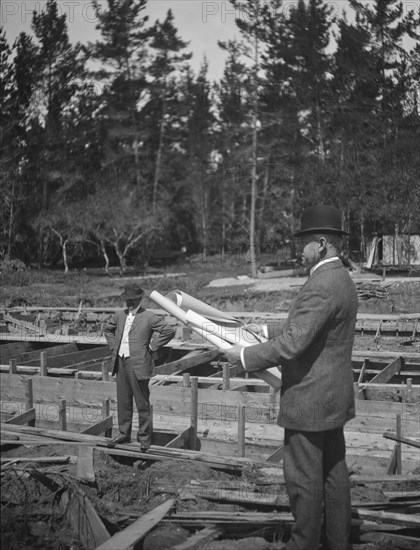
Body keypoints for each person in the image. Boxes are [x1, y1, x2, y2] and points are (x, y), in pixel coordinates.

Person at [226, 205, 357, 550]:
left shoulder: (321, 284)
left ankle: (303, 543)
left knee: (303, 481)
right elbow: (311, 327)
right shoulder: (340, 278)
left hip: (309, 400)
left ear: (322, 244)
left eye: (304, 243)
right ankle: (337, 542)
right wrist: (266, 328)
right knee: (333, 475)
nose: (299, 250)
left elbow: (292, 344)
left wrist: (243, 356)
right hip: (333, 398)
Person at [104, 282, 175, 451]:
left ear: (139, 299)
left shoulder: (149, 317)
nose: (130, 303)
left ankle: (144, 437)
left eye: (133, 300)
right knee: (123, 401)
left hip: (138, 364)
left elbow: (168, 331)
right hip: (120, 362)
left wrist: (151, 347)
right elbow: (107, 329)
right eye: (127, 300)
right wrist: (114, 347)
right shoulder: (119, 316)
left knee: (142, 402)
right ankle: (123, 433)